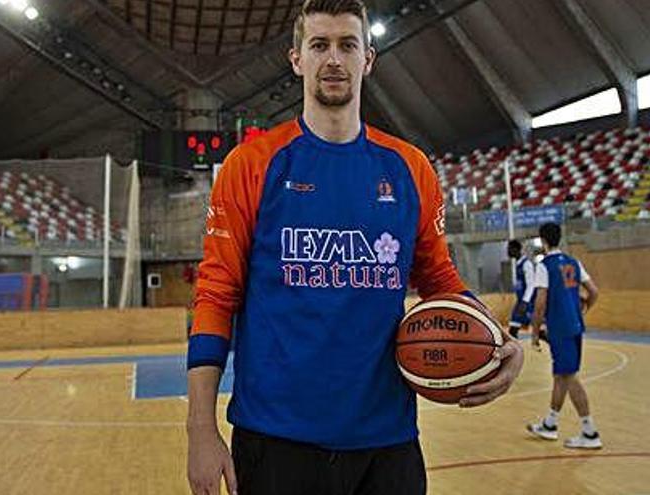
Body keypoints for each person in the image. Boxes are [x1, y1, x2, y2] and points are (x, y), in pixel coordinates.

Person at [185, 1, 525, 494]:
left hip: (387, 440)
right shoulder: (251, 165)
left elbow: (440, 279)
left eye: (347, 45)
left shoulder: (410, 168)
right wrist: (200, 428)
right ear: (296, 59)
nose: (334, 59)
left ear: (369, 58)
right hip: (276, 439)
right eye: (319, 44)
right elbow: (215, 296)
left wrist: (499, 339)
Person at [526, 222, 602, 449]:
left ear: (543, 240)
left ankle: (590, 432)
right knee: (561, 375)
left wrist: (534, 331)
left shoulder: (545, 266)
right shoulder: (573, 262)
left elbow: (540, 303)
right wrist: (584, 308)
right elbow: (594, 292)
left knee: (569, 376)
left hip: (559, 328)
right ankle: (550, 424)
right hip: (575, 326)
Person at [507, 239, 536, 338]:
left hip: (526, 303)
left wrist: (525, 302)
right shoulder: (518, 264)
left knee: (538, 331)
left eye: (509, 249)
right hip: (521, 302)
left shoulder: (527, 264)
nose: (508, 252)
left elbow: (531, 285)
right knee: (512, 331)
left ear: (516, 249)